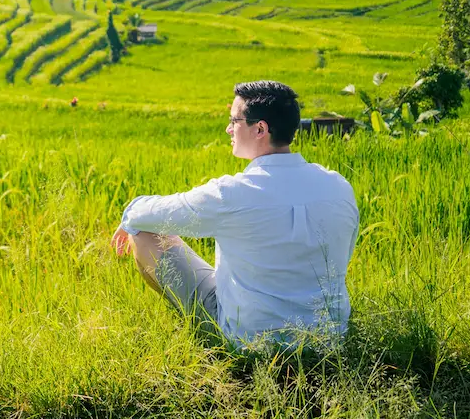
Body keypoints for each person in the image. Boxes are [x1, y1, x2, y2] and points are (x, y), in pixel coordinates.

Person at [112, 80, 358, 348]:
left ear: (260, 129)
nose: (228, 129)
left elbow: (154, 214)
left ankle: (200, 334)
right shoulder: (338, 186)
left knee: (145, 233)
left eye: (234, 121)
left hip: (249, 340)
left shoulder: (232, 193)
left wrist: (130, 215)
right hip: (330, 337)